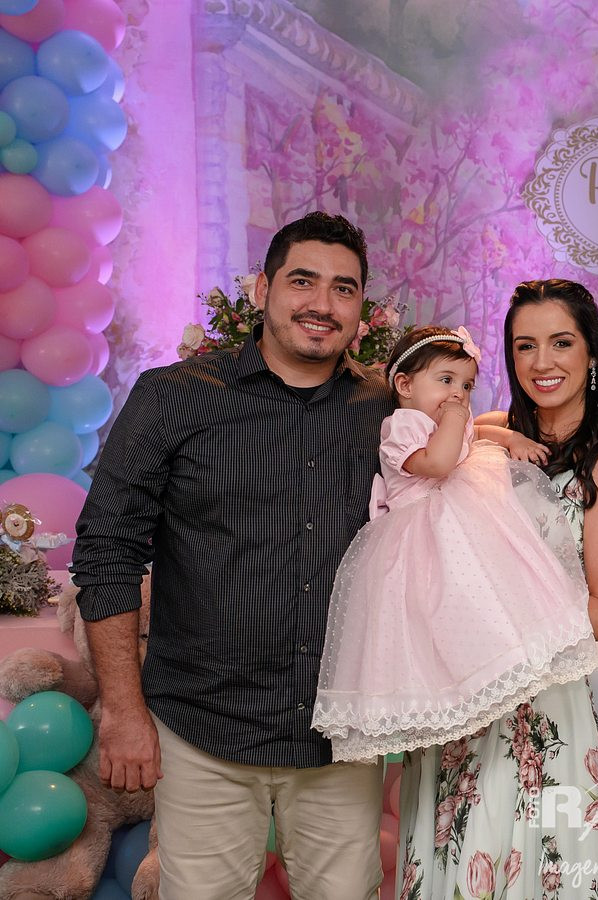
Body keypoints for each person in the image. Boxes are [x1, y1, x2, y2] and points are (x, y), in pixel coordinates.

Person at [73, 212, 391, 899]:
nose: (322, 303)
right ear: (262, 290)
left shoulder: (386, 412)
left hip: (341, 734)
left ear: (360, 308)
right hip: (203, 730)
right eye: (302, 281)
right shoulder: (173, 397)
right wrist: (123, 711)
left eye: (343, 288)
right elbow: (107, 550)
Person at [399, 279, 598, 899]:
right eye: (525, 346)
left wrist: (495, 631)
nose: (541, 362)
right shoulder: (481, 436)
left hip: (539, 709)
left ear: (591, 353)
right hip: (458, 702)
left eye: (561, 343)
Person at [312, 324, 598, 760]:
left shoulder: (447, 420)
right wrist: (455, 418)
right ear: (405, 385)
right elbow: (440, 462)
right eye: (445, 380)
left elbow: (476, 437)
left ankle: (500, 667)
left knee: (492, 594)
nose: (458, 395)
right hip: (421, 540)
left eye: (466, 385)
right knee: (443, 612)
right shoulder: (402, 426)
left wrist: (510, 437)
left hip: (459, 527)